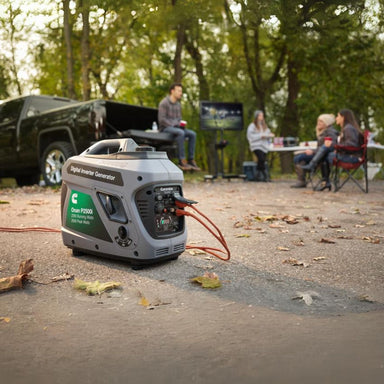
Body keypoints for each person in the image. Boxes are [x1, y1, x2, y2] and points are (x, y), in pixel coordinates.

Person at [158, 83, 201, 171]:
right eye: (179, 91)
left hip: (177, 128)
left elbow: (179, 119)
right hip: (165, 128)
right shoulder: (164, 103)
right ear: (172, 91)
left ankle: (191, 160)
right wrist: (174, 125)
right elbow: (162, 120)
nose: (181, 93)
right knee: (180, 132)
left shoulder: (178, 105)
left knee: (192, 134)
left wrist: (180, 124)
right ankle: (181, 160)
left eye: (181, 91)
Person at [291, 114, 338, 189]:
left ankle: (303, 179)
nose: (318, 123)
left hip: (323, 156)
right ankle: (302, 179)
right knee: (299, 157)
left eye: (321, 121)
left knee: (299, 157)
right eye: (318, 121)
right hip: (320, 154)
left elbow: (330, 146)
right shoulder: (325, 131)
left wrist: (313, 152)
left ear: (327, 123)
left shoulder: (330, 132)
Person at [246, 110, 274, 181]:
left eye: (262, 115)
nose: (261, 117)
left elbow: (267, 133)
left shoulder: (264, 126)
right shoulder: (252, 126)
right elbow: (250, 136)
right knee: (261, 159)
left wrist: (269, 135)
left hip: (264, 146)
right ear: (256, 116)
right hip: (256, 145)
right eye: (260, 115)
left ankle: (257, 176)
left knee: (262, 161)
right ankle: (265, 175)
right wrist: (261, 136)